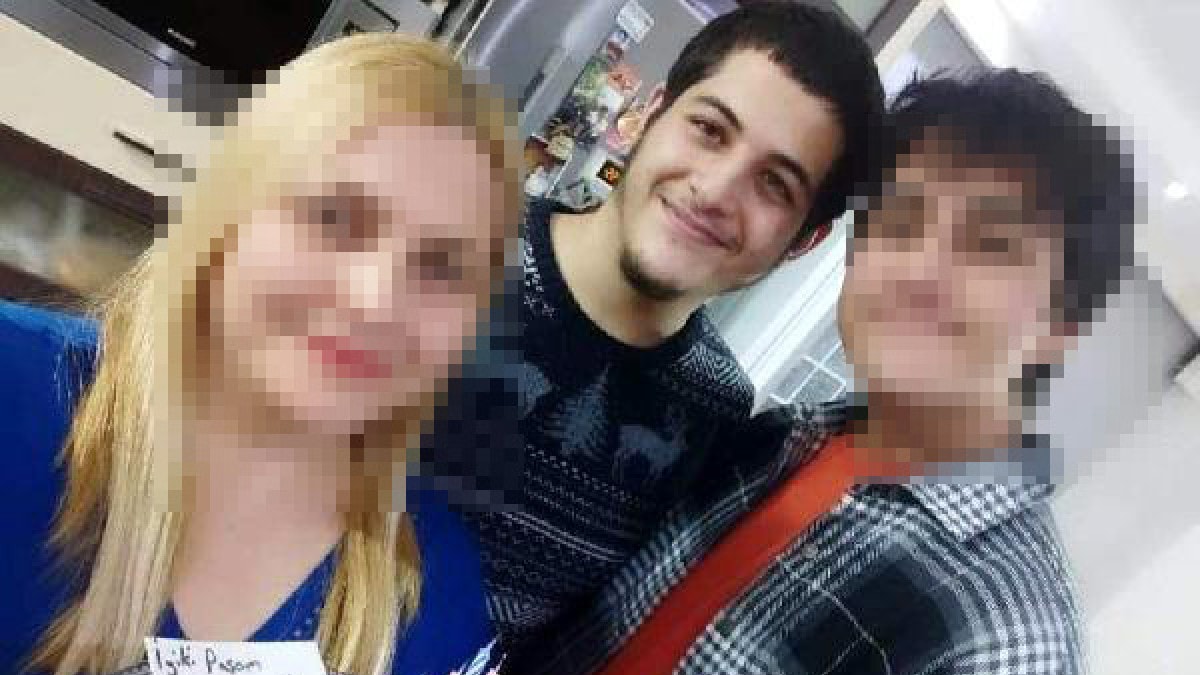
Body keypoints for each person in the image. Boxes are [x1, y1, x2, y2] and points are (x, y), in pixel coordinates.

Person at [519, 69, 1136, 675]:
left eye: (990, 246)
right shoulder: (773, 440)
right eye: (902, 220)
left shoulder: (1008, 639)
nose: (919, 270)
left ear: (1062, 328)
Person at [0, 33, 521, 675]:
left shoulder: (432, 592)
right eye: (333, 218)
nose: (374, 300)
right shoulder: (15, 387)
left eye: (441, 268)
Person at [467, 1, 886, 650]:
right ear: (653, 113)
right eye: (710, 130)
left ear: (802, 242)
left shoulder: (713, 411)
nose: (715, 190)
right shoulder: (444, 238)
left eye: (775, 184)